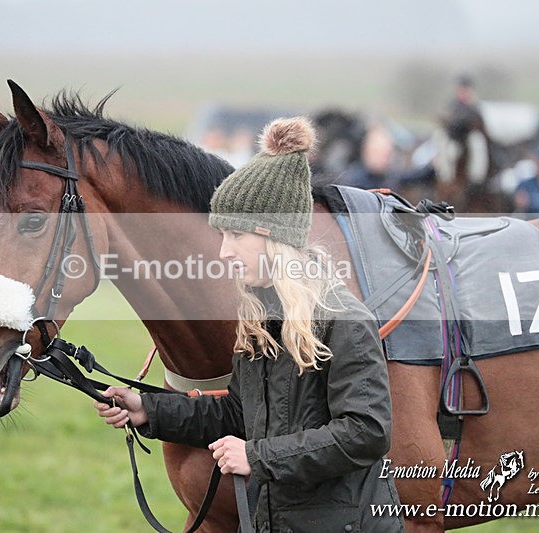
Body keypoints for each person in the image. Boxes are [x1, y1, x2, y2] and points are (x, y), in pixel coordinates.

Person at [94, 117, 403, 531]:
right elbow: (240, 414)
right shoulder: (261, 321)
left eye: (236, 236)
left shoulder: (344, 319)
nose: (224, 253)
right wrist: (148, 411)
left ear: (274, 236)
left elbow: (365, 433)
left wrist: (257, 457)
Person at [341, 124, 435, 192]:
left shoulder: (391, 178)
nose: (384, 158)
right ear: (366, 151)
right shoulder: (351, 183)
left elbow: (413, 176)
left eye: (388, 153)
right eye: (378, 152)